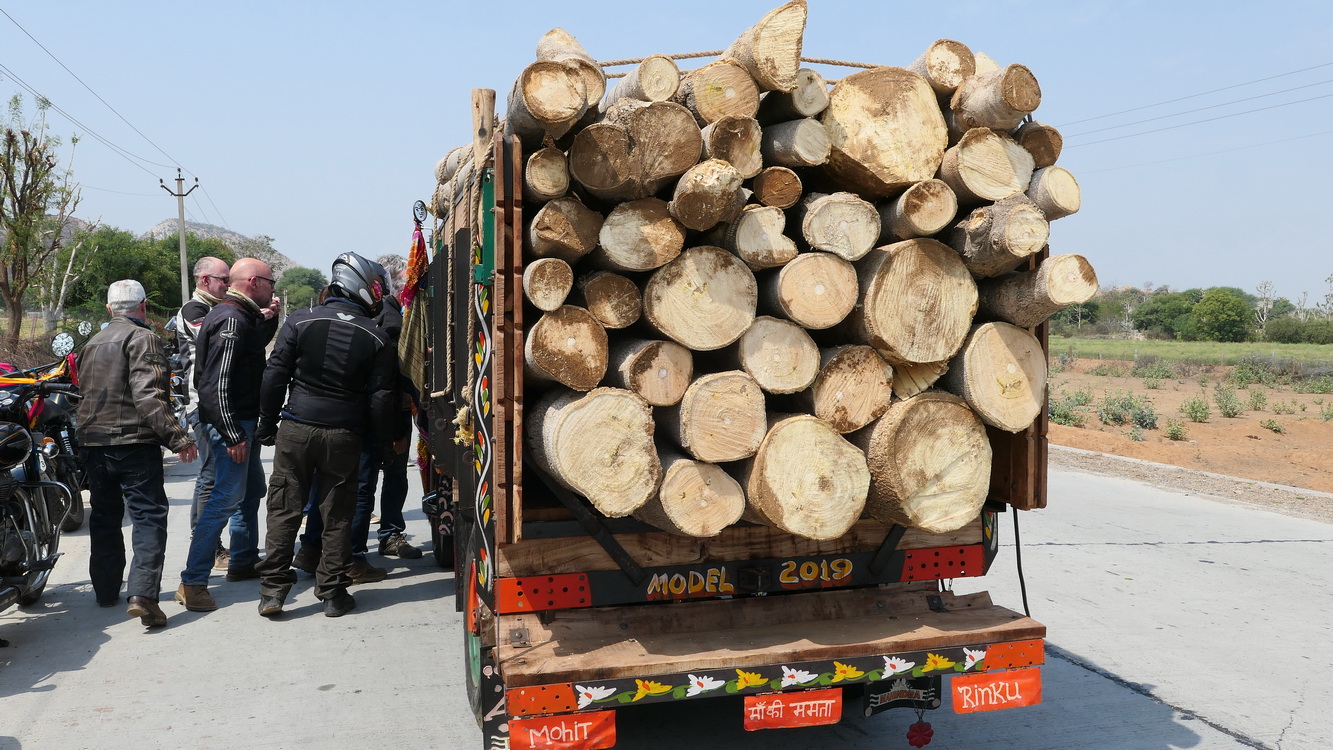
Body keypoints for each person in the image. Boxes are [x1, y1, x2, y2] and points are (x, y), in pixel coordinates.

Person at [254, 253, 399, 618]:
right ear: (361, 286)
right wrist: (383, 445)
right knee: (337, 514)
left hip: (296, 429)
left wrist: (267, 422)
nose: (378, 294)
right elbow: (381, 399)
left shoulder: (300, 320)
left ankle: (273, 591)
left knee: (284, 509)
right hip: (343, 435)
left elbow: (274, 376)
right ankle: (333, 593)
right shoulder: (376, 336)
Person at [77, 280, 198, 628]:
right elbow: (150, 397)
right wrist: (179, 439)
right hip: (133, 443)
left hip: (93, 443)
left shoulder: (92, 343)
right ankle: (143, 595)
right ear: (143, 306)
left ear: (108, 309)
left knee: (104, 516)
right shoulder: (143, 338)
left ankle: (105, 591)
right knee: (147, 517)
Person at [176, 258, 280, 612]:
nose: (273, 287)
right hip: (231, 425)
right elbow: (215, 384)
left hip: (239, 423)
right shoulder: (231, 319)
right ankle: (193, 581)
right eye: (270, 281)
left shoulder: (236, 315)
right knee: (223, 498)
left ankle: (242, 561)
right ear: (253, 282)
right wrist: (233, 433)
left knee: (252, 489)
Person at [173, 256, 232, 571]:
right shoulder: (194, 310)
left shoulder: (214, 311)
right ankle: (206, 544)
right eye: (223, 279)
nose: (227, 285)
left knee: (228, 478)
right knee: (210, 475)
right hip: (203, 406)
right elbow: (221, 341)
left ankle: (215, 544)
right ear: (204, 280)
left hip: (221, 405)